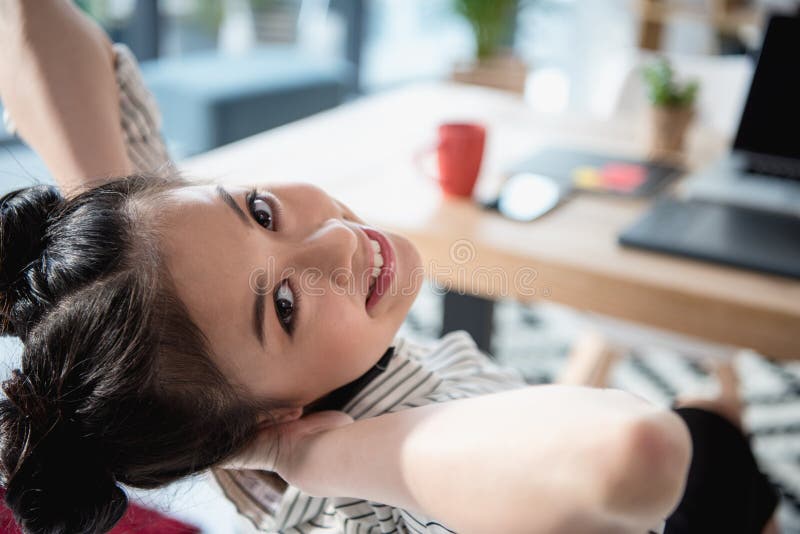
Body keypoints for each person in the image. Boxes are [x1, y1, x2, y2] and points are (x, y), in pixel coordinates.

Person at [0, 2, 777, 533]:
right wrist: (324, 456)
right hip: (664, 498)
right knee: (715, 447)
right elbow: (640, 452)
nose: (331, 243)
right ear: (272, 424)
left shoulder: (207, 367)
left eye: (261, 212)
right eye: (283, 307)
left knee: (712, 429)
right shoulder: (377, 496)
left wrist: (114, 213)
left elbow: (29, 21)